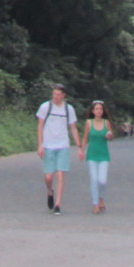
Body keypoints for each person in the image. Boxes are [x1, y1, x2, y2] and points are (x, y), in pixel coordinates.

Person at [36, 83, 81, 214]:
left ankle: (57, 204)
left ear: (63, 95)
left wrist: (79, 146)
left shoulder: (68, 109)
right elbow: (40, 126)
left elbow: (73, 127)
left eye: (58, 94)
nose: (55, 97)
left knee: (60, 173)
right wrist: (40, 144)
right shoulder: (45, 107)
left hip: (62, 145)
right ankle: (50, 191)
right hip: (48, 145)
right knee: (49, 177)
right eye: (54, 94)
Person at [80, 99, 113, 214]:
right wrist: (81, 150)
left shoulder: (106, 122)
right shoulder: (89, 123)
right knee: (94, 179)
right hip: (92, 155)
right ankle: (95, 204)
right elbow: (85, 137)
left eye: (100, 109)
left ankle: (101, 198)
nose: (98, 111)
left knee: (102, 180)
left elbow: (110, 135)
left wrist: (109, 136)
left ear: (103, 111)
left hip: (103, 155)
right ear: (93, 111)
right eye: (96, 109)